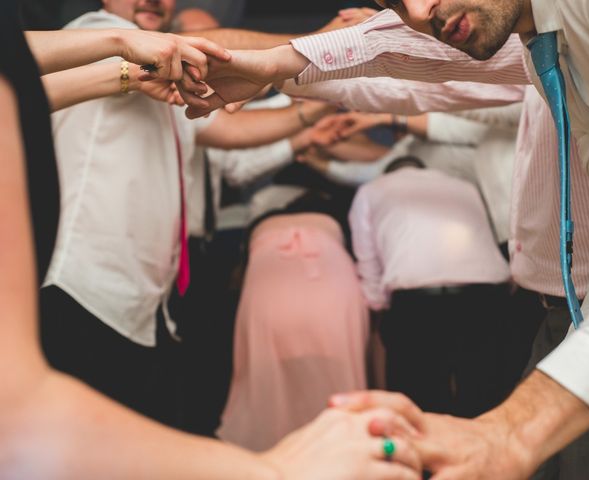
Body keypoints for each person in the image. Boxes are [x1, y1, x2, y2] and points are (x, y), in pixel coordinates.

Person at [182, 0, 589, 477]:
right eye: (393, 4)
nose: (421, 13)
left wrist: (513, 431)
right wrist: (278, 67)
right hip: (584, 311)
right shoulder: (546, 51)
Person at [0, 1, 423, 477]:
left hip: (142, 302)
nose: (153, 2)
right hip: (85, 286)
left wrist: (308, 120)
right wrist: (320, 40)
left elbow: (226, 130)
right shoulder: (97, 31)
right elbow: (23, 425)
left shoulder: (139, 68)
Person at [349, 156, 511, 417]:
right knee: (485, 402)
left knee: (419, 409)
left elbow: (368, 266)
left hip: (417, 303)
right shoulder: (464, 185)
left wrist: (381, 309)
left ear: (387, 174)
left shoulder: (371, 190)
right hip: (486, 297)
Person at [218, 190, 369, 450]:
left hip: (270, 282)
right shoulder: (337, 218)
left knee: (266, 362)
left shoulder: (260, 223)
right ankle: (343, 443)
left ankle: (273, 449)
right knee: (339, 362)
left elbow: (237, 277)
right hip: (332, 280)